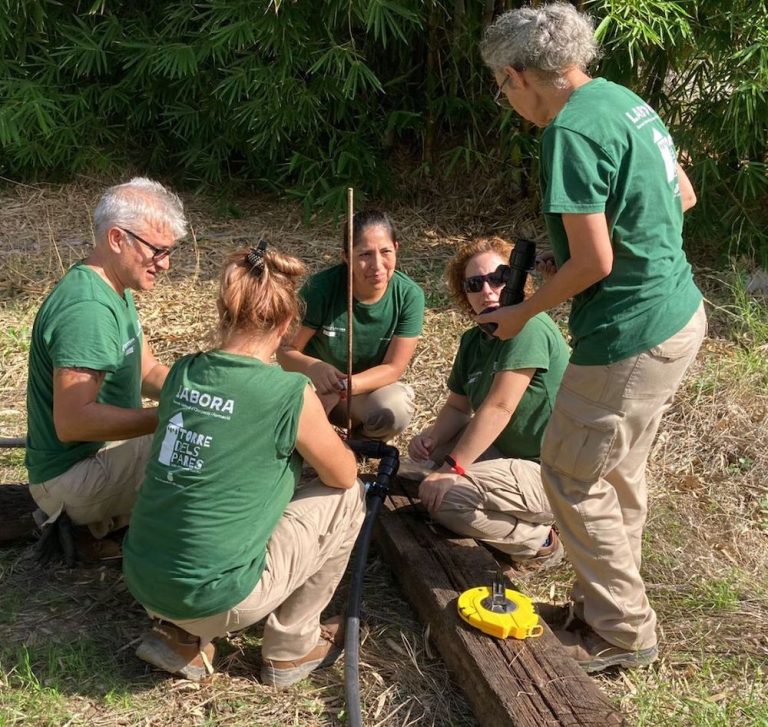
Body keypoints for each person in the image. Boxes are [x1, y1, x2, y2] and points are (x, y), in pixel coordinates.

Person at [478, 3, 706, 672]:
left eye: (501, 85)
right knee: (617, 470)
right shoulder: (623, 101)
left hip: (630, 331)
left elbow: (596, 263)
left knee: (571, 473)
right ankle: (599, 604)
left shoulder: (568, 133)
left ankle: (623, 632)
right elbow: (680, 195)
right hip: (678, 313)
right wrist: (580, 257)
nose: (505, 98)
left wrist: (524, 313)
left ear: (519, 76)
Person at [122, 243, 365, 688]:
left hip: (144, 578)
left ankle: (180, 636)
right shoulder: (290, 393)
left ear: (224, 310)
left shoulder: (184, 371)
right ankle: (291, 649)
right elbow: (343, 474)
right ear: (288, 324)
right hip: (218, 596)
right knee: (351, 497)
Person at [25, 177, 187, 560]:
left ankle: (108, 529)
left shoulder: (114, 289)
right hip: (70, 478)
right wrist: (170, 416)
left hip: (94, 461)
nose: (165, 264)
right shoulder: (88, 310)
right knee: (195, 441)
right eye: (158, 251)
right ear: (117, 239)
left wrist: (202, 389)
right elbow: (74, 423)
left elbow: (147, 372)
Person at [406, 237, 569, 568]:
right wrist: (433, 439)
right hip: (508, 454)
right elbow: (457, 407)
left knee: (445, 498)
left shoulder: (528, 326)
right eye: (474, 284)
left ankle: (539, 540)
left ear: (519, 280)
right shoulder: (473, 340)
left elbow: (499, 407)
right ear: (465, 295)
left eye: (498, 277)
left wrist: (453, 468)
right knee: (429, 464)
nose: (488, 290)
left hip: (553, 472)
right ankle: (504, 509)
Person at [277, 210, 424, 441]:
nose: (377, 265)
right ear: (346, 256)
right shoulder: (321, 288)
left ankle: (359, 446)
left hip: (359, 394)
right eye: (365, 254)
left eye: (385, 252)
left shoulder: (409, 296)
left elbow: (394, 368)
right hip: (314, 393)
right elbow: (285, 351)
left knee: (395, 407)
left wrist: (344, 388)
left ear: (396, 248)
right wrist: (314, 367)